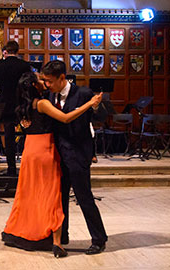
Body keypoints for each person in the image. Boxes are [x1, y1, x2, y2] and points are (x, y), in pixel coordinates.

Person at [2, 72, 102, 258]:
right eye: (40, 80)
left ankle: (30, 232)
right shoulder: (43, 103)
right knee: (51, 195)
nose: (44, 83)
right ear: (33, 85)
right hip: (45, 151)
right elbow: (65, 118)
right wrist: (88, 105)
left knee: (29, 194)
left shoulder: (21, 107)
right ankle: (56, 242)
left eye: (46, 80)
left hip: (29, 151)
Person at [42, 60, 108, 255]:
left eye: (50, 81)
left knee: (84, 197)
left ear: (62, 78)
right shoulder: (50, 95)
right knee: (60, 199)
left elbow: (102, 115)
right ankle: (61, 237)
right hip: (59, 155)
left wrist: (95, 107)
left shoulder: (84, 94)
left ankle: (99, 239)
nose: (47, 85)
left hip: (79, 154)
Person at [0, 40, 31, 176]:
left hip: (6, 104)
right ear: (17, 51)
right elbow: (28, 85)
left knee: (8, 137)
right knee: (28, 135)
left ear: (5, 51)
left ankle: (11, 168)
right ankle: (28, 167)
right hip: (22, 104)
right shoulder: (25, 65)